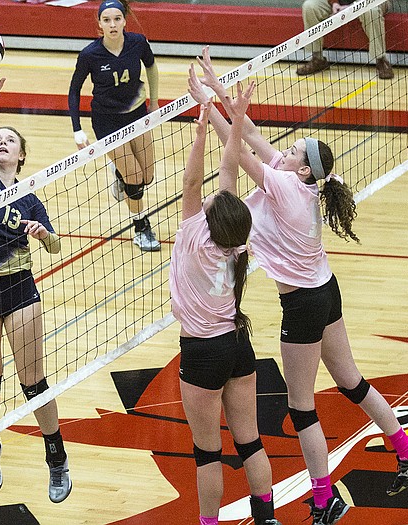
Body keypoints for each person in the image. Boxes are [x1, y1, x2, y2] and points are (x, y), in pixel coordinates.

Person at [190, 48, 408, 525]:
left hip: (304, 307)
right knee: (351, 380)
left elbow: (237, 148)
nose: (286, 149)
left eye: (294, 151)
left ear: (304, 168)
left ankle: (322, 498)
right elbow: (251, 133)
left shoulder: (285, 186)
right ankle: (405, 447)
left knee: (302, 408)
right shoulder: (304, 181)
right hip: (326, 289)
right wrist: (218, 89)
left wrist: (210, 110)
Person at [0, 67, 72, 503]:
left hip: (19, 289)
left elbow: (57, 246)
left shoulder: (30, 196)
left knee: (34, 382)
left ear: (22, 156)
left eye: (11, 140)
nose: (2, 142)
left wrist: (45, 236)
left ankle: (56, 457)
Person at [173, 85, 282, 525]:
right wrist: (233, 119)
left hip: (202, 351)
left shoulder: (195, 237)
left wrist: (202, 128)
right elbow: (227, 170)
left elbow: (194, 181)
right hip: (237, 343)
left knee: (207, 453)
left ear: (210, 217)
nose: (218, 194)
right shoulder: (236, 240)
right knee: (251, 441)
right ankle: (266, 518)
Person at [68, 0, 162, 252]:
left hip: (137, 115)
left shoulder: (137, 43)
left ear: (124, 21)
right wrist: (77, 130)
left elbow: (151, 66)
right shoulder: (90, 54)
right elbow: (74, 90)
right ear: (99, 24)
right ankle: (141, 226)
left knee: (147, 177)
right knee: (135, 180)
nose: (112, 24)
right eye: (106, 20)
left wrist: (154, 102)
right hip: (107, 121)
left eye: (117, 19)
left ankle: (119, 173)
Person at [296, 0, 393, 79]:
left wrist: (353, 7)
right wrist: (334, 3)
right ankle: (317, 59)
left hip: (371, 1)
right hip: (341, 2)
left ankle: (381, 60)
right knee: (310, 6)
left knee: (371, 11)